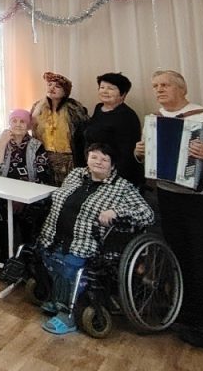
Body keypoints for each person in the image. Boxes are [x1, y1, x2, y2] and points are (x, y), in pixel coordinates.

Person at [134, 69, 203, 348]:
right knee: (178, 257)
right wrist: (139, 153)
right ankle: (186, 315)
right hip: (167, 196)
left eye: (165, 85)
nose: (159, 90)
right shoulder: (153, 120)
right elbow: (150, 159)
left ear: (182, 88)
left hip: (202, 198)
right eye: (155, 86)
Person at [34, 142, 154, 335]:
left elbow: (147, 214)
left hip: (87, 242)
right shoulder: (76, 175)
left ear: (112, 165)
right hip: (55, 235)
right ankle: (58, 298)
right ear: (87, 158)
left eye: (104, 159)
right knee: (47, 257)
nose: (98, 162)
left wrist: (116, 212)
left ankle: (68, 315)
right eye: (94, 157)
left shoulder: (122, 187)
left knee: (69, 265)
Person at [0, 108, 53, 258]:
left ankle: (26, 262)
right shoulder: (0, 139)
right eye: (14, 121)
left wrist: (22, 198)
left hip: (29, 197)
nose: (18, 124)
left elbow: (43, 175)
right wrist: (2, 143)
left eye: (22, 121)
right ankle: (5, 260)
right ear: (9, 123)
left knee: (29, 230)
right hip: (4, 195)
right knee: (4, 226)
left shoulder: (36, 145)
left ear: (28, 125)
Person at [82, 72, 141, 186]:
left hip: (117, 175)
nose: (105, 91)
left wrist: (113, 178)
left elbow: (128, 153)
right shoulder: (99, 108)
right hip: (96, 170)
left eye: (110, 88)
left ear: (123, 94)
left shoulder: (127, 116)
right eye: (102, 87)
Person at [30, 72, 88, 186]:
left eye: (57, 86)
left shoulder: (74, 109)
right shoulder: (38, 107)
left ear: (65, 92)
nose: (52, 88)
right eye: (50, 85)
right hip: (43, 157)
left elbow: (82, 136)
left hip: (68, 160)